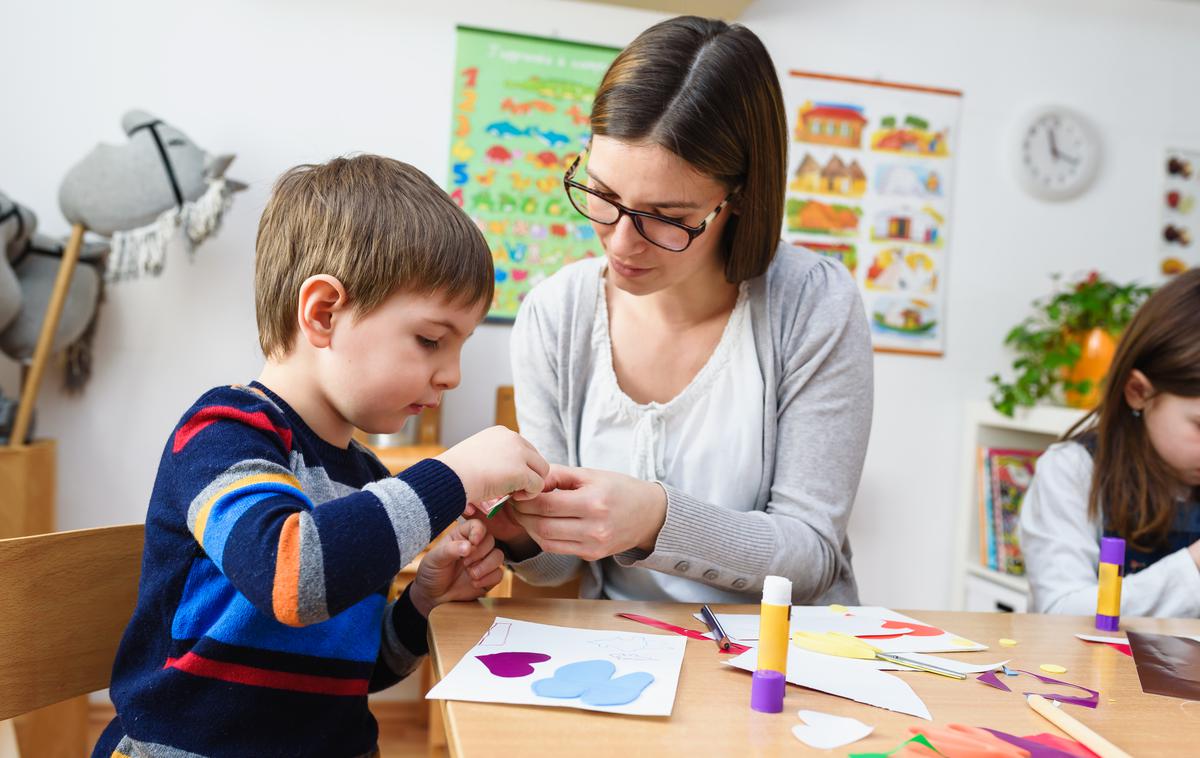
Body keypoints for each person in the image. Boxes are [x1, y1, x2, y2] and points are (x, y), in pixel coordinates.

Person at [93, 155, 549, 757]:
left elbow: (356, 673)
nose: (453, 375)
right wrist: (455, 474)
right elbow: (292, 578)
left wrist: (422, 601)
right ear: (323, 314)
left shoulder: (366, 480)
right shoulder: (224, 431)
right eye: (432, 340)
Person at [476, 16, 874, 605]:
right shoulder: (555, 314)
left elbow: (811, 556)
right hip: (629, 656)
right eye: (604, 195)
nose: (619, 242)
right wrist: (521, 535)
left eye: (665, 216)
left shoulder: (813, 304)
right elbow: (562, 570)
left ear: (739, 199)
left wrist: (656, 520)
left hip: (780, 662)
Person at [1021, 268, 1200, 617]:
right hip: (1088, 671)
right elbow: (1060, 612)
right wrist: (1194, 565)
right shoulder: (1072, 471)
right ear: (1138, 392)